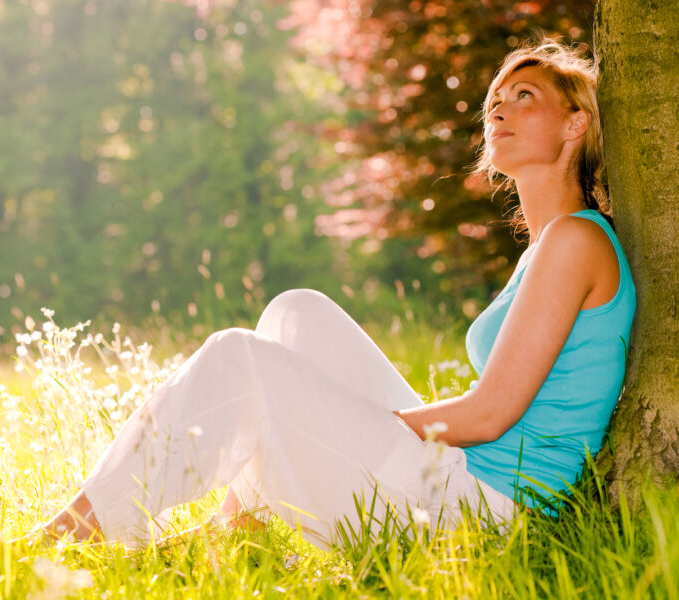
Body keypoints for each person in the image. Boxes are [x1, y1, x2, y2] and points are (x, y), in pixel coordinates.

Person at [37, 38, 636, 549]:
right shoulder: (549, 246)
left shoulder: (574, 241)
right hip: (461, 483)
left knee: (239, 357)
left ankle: (71, 534)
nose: (498, 111)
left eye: (523, 97)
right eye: (495, 102)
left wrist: (365, 421)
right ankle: (234, 537)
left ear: (575, 123)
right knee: (297, 312)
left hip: (480, 511)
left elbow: (488, 415)